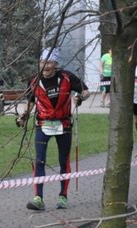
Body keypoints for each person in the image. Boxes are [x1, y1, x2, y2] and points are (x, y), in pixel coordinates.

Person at [17, 48, 89, 211]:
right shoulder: (34, 81)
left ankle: (63, 196)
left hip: (64, 124)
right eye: (43, 62)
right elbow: (30, 102)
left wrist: (80, 97)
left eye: (49, 63)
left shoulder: (67, 77)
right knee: (39, 160)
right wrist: (23, 116)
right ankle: (38, 198)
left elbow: (86, 92)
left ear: (56, 64)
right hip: (43, 124)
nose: (46, 66)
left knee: (64, 161)